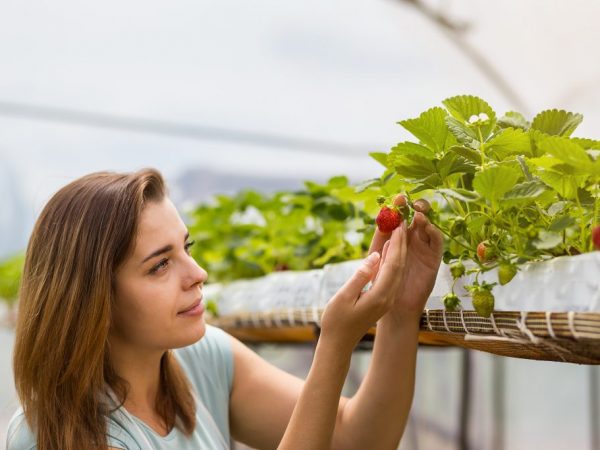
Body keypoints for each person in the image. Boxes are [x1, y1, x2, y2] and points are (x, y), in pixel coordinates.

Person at [6, 168, 443, 450]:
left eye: (186, 247)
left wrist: (401, 315)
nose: (197, 273)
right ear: (94, 298)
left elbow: (356, 439)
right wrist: (335, 344)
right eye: (160, 265)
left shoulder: (202, 359)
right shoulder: (49, 435)